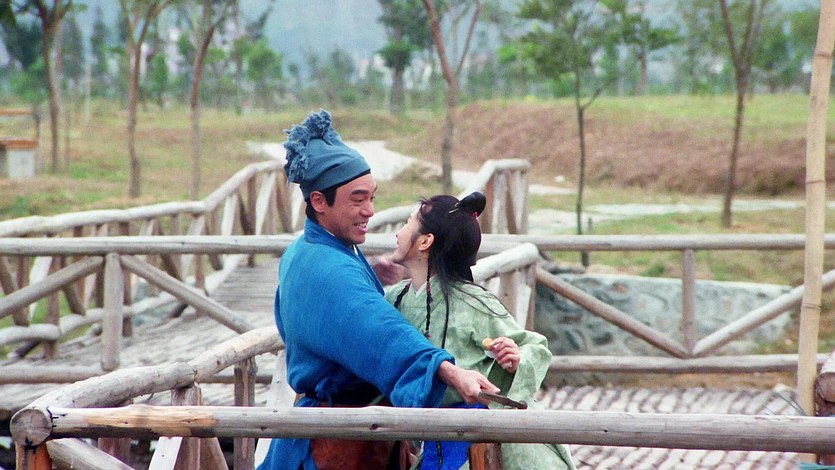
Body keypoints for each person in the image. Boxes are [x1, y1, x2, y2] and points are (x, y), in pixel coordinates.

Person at [258, 110, 499, 470]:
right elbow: (380, 331)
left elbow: (339, 313)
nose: (369, 211)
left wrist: (369, 276)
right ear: (319, 202)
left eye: (372, 197)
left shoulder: (307, 251)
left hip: (343, 426)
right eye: (357, 199)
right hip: (336, 436)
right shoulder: (328, 267)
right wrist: (448, 371)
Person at [384, 191, 576, 470]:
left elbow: (534, 347)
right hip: (438, 438)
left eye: (407, 223)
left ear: (425, 241)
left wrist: (516, 357)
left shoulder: (473, 303)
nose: (398, 232)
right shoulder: (394, 299)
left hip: (493, 442)